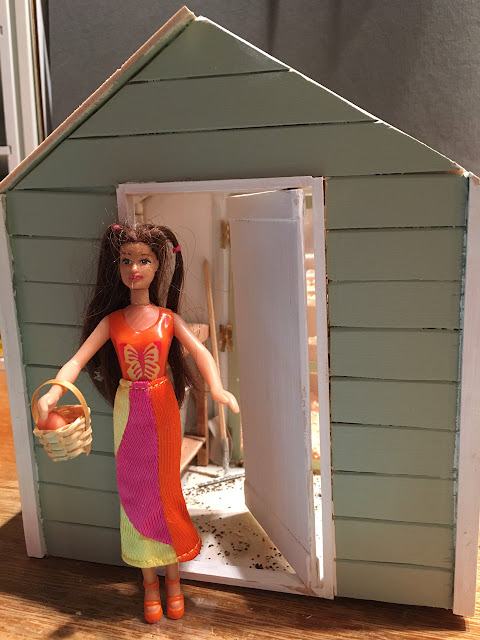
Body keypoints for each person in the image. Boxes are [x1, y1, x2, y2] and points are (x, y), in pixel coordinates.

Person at [37, 223, 239, 624]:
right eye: (126, 260)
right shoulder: (113, 322)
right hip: (128, 407)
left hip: (162, 406)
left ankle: (173, 579)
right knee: (134, 492)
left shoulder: (167, 319)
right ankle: (149, 582)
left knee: (166, 490)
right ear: (117, 266)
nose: (134, 268)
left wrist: (217, 389)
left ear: (158, 265)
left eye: (143, 261)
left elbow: (201, 352)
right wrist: (55, 392)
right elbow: (78, 360)